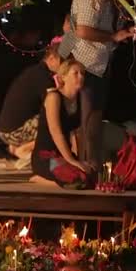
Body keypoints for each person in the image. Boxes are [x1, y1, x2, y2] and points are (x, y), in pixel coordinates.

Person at [57, 0, 135, 168]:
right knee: (88, 118)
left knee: (94, 116)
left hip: (99, 63)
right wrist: (114, 36)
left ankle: (90, 162)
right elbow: (82, 30)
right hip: (84, 62)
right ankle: (87, 164)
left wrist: (122, 34)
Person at [0, 43, 62, 169]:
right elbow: (52, 106)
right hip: (13, 132)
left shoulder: (34, 71)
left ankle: (18, 148)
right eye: (62, 61)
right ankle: (23, 150)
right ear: (52, 58)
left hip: (6, 131)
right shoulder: (42, 76)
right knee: (54, 119)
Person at [31, 59, 95, 189]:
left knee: (91, 176)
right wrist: (71, 160)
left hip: (63, 155)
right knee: (77, 181)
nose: (80, 77)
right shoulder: (53, 97)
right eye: (75, 73)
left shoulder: (80, 99)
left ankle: (61, 177)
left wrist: (81, 160)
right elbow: (56, 132)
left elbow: (79, 132)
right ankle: (39, 179)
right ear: (63, 77)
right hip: (45, 155)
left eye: (82, 73)